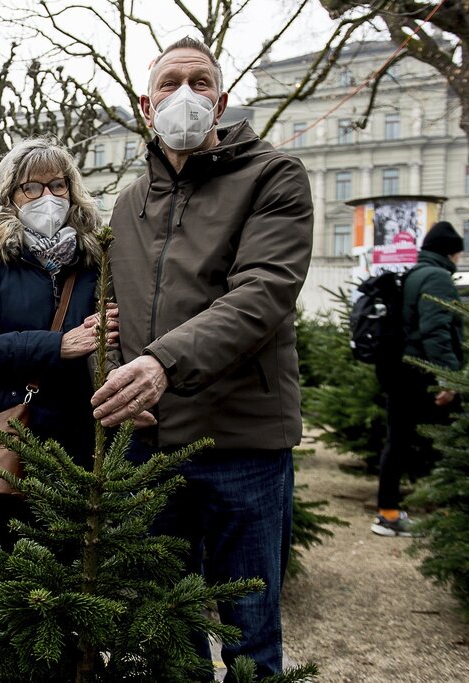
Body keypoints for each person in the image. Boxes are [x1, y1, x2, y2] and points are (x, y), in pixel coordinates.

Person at [89, 37, 313, 680]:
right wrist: (115, 358)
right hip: (152, 443)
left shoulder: (273, 176)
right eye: (169, 82)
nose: (184, 93)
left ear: (219, 101)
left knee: (247, 630)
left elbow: (263, 294)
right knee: (163, 630)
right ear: (145, 101)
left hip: (241, 441)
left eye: (201, 81)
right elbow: (129, 308)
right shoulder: (131, 202)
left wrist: (159, 364)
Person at [0, 137, 142, 549]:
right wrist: (57, 346)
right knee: (23, 583)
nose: (47, 196)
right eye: (31, 187)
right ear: (10, 195)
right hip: (12, 444)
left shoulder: (94, 256)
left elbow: (116, 332)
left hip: (86, 447)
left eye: (57, 185)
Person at [372, 220, 465, 537]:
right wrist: (449, 378)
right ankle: (454, 515)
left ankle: (387, 513)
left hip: (401, 370)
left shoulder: (413, 274)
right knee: (457, 442)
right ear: (451, 253)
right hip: (422, 373)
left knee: (396, 442)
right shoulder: (438, 278)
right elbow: (435, 331)